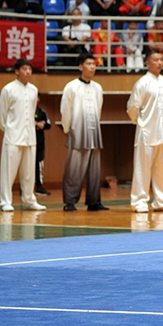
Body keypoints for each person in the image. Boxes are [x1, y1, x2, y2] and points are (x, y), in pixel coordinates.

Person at [127, 51, 163, 213]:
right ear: (147, 63)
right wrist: (140, 123)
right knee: (142, 167)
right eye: (156, 60)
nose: (160, 63)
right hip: (146, 132)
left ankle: (161, 200)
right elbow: (133, 107)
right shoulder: (142, 83)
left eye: (162, 60)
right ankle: (139, 201)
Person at [60, 52, 109, 212]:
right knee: (74, 169)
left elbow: (99, 108)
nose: (92, 67)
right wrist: (68, 129)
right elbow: (65, 110)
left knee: (94, 171)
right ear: (80, 67)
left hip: (94, 131)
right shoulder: (71, 86)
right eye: (89, 64)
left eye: (94, 64)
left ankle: (94, 202)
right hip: (77, 130)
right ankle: (70, 202)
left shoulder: (98, 88)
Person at [0, 59, 46, 212]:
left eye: (30, 69)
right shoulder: (8, 89)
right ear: (17, 71)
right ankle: (5, 201)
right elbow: (1, 113)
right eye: (25, 69)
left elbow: (32, 112)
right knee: (8, 171)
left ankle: (29, 200)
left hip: (30, 137)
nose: (28, 72)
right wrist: (8, 130)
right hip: (13, 136)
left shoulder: (33, 90)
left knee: (29, 172)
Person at [34, 91, 51, 196]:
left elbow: (48, 125)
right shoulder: (24, 111)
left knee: (39, 165)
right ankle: (25, 188)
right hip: (26, 142)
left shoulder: (42, 112)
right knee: (27, 166)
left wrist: (42, 126)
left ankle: (39, 186)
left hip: (39, 143)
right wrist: (36, 123)